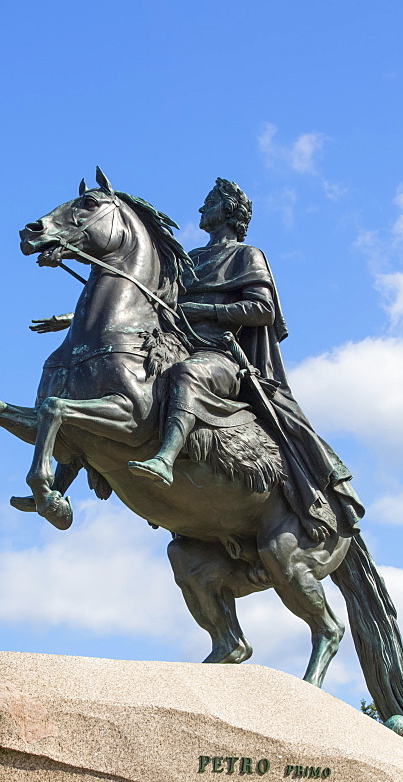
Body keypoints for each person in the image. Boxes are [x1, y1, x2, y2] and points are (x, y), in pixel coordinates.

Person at [127, 178, 364, 541]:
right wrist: (74, 320)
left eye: (209, 202)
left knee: (187, 374)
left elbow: (262, 309)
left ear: (229, 211)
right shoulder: (187, 259)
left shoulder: (246, 255)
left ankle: (165, 459)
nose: (201, 209)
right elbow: (149, 304)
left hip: (220, 357)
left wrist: (204, 308)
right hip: (175, 345)